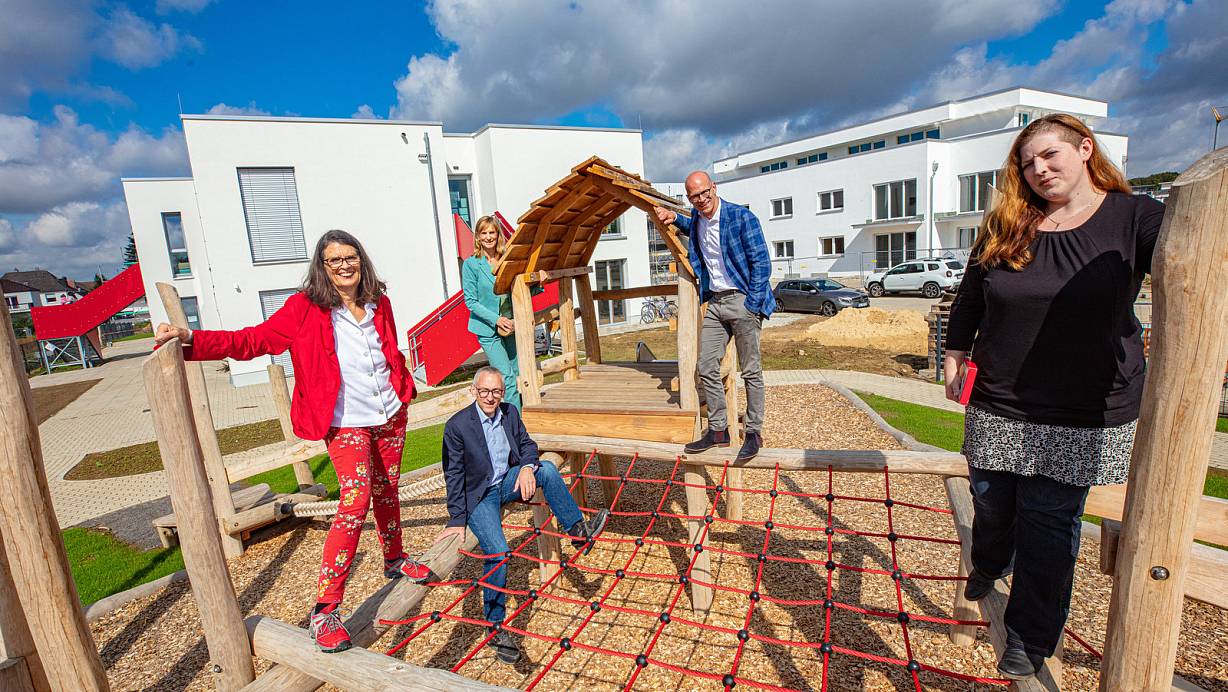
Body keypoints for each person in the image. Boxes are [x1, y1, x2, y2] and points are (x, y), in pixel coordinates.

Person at [943, 113, 1163, 680]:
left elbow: (1183, 261)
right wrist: (955, 352)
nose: (1039, 170)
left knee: (1048, 520)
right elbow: (971, 295)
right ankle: (992, 559)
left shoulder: (1134, 217)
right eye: (1027, 162)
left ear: (1085, 148)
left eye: (1050, 156)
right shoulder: (1009, 222)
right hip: (1000, 397)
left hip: (1080, 406)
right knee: (991, 500)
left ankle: (1030, 634)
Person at [153, 230, 432, 655]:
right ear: (322, 266)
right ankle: (325, 610)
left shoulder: (379, 301)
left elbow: (387, 348)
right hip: (345, 422)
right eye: (334, 259)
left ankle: (394, 557)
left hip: (390, 414)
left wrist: (402, 381)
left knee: (386, 489)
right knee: (355, 501)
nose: (344, 265)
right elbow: (253, 341)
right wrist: (192, 340)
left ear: (362, 261)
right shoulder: (305, 308)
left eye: (351, 257)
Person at [436, 366, 610, 664]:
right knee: (500, 554)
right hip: (478, 496)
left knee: (549, 470)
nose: (490, 397)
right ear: (473, 392)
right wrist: (456, 519)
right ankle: (496, 628)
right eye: (484, 391)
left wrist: (528, 467)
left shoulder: (509, 413)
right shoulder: (458, 426)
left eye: (495, 391)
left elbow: (528, 445)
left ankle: (578, 532)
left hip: (506, 482)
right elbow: (453, 474)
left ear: (502, 392)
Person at [653, 171, 775, 461]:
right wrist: (674, 217)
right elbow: (690, 223)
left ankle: (754, 433)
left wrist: (753, 305)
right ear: (690, 198)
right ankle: (718, 429)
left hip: (744, 300)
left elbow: (762, 262)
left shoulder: (742, 218)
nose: (702, 199)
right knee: (706, 365)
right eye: (695, 196)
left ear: (714, 188)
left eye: (705, 192)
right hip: (716, 303)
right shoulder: (696, 218)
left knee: (751, 370)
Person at [462, 215, 523, 410]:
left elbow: (520, 287)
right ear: (478, 237)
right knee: (507, 378)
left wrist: (540, 281)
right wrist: (497, 320)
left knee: (520, 372)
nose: (488, 237)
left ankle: (521, 415)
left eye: (492, 232)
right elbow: (470, 301)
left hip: (511, 326)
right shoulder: (471, 264)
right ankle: (517, 426)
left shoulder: (508, 260)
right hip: (488, 329)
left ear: (498, 235)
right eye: (484, 233)